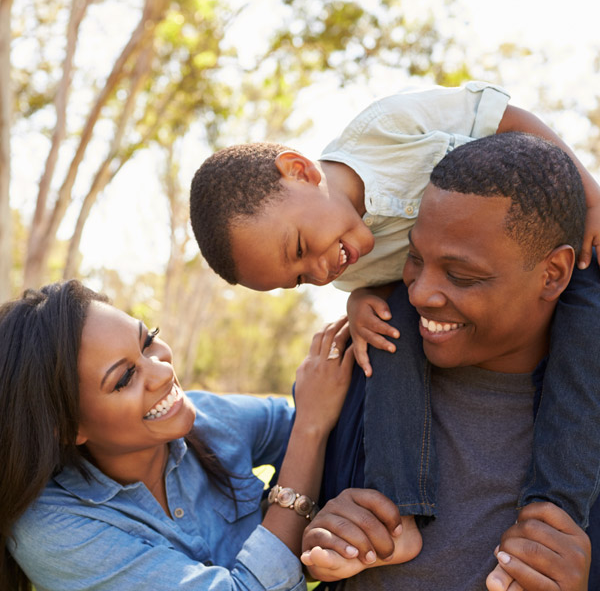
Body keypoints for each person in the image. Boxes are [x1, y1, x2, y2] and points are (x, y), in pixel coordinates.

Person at [189, 81, 600, 541]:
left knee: (586, 341)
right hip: (440, 296)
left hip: (553, 241)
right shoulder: (347, 267)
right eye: (301, 278)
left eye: (302, 247)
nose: (321, 270)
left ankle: (557, 510)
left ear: (300, 170)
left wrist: (589, 193)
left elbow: (508, 119)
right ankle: (394, 510)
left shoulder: (386, 128)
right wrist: (359, 298)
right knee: (385, 338)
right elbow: (391, 283)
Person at [300, 132, 594, 590]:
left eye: (461, 275)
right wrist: (320, 536)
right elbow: (276, 533)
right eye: (415, 258)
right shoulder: (358, 374)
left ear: (553, 274)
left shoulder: (583, 427)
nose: (419, 293)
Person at [0, 279, 358, 591]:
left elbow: (336, 426)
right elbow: (310, 424)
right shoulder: (54, 530)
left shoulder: (209, 418)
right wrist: (309, 433)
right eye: (124, 379)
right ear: (67, 428)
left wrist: (367, 308)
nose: (162, 372)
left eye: (147, 342)